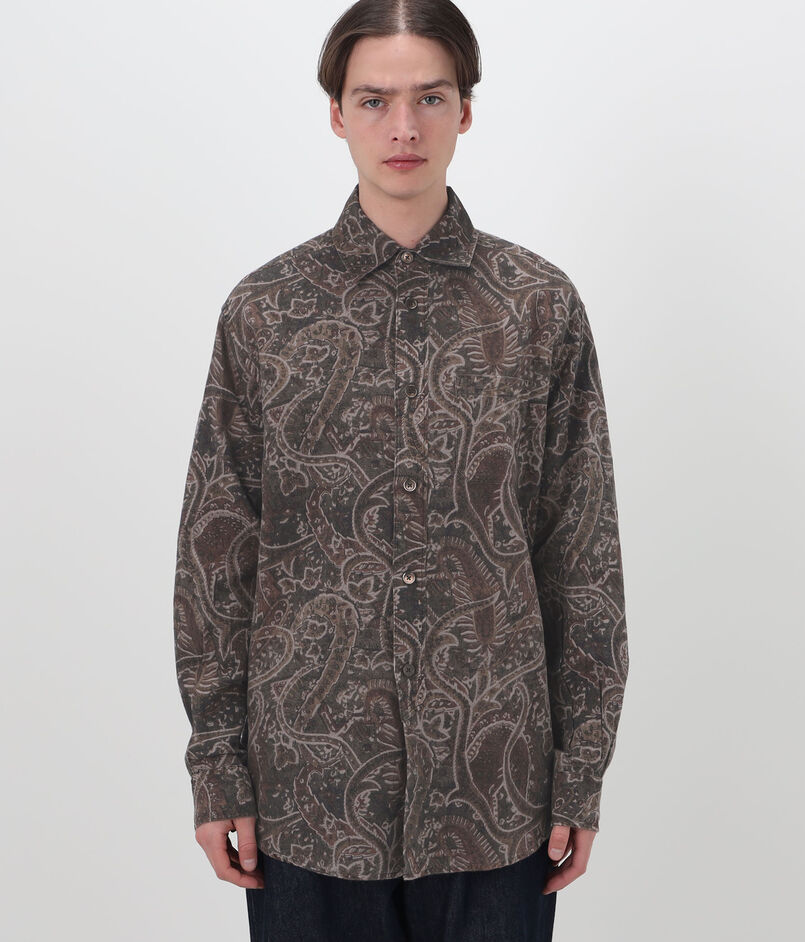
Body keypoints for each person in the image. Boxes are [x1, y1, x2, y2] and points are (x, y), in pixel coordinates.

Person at [172, 1, 629, 939]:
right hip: (308, 789)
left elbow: (580, 554)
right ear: (336, 114)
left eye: (430, 97)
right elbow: (218, 555)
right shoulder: (264, 313)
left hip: (495, 789)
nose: (404, 128)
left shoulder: (536, 308)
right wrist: (217, 768)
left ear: (466, 110)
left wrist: (579, 771)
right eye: (374, 100)